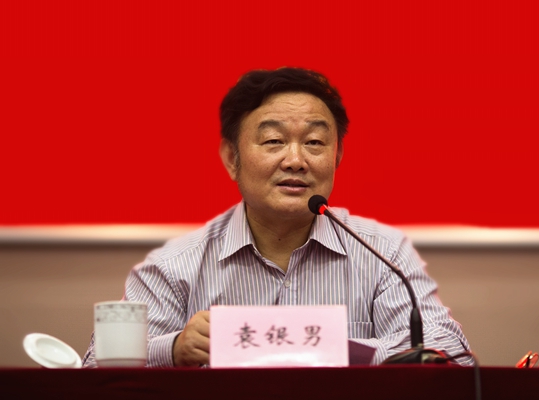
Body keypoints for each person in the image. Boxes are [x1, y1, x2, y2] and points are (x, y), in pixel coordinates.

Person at [82, 67, 471, 367]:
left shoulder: (382, 253)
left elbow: (450, 352)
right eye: (273, 141)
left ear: (336, 157)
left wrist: (330, 347)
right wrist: (174, 349)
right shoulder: (176, 266)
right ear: (231, 158)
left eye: (315, 142)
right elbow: (95, 367)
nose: (296, 160)